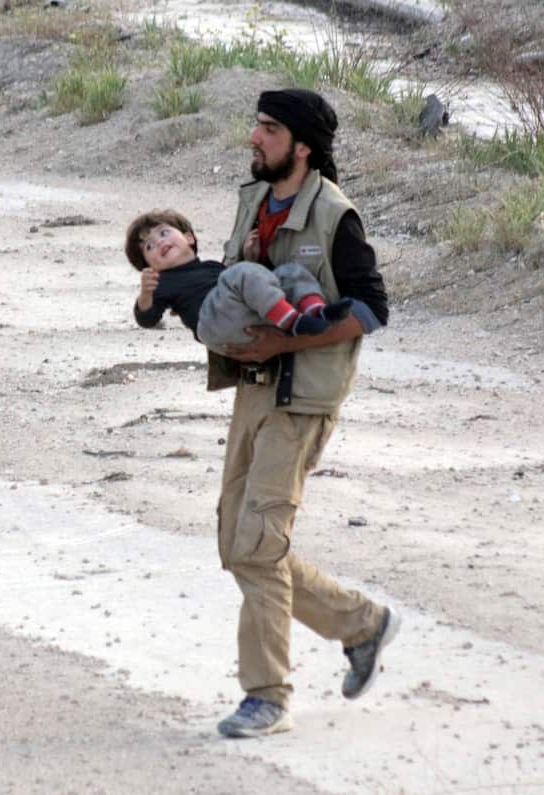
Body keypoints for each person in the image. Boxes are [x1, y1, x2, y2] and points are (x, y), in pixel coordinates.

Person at [211, 89, 398, 738]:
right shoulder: (254, 202)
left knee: (258, 545)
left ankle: (267, 696)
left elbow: (371, 310)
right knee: (239, 545)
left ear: (302, 145)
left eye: (267, 128)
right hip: (251, 388)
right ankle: (362, 623)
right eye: (256, 124)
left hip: (302, 397)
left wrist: (286, 340)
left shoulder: (335, 215)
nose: (253, 138)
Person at [124, 209, 354, 352]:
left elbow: (251, 290)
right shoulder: (163, 282)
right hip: (212, 325)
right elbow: (147, 319)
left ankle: (316, 310)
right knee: (240, 272)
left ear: (189, 237)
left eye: (163, 233)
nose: (159, 242)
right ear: (150, 266)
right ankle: (295, 323)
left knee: (289, 272)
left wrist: (251, 258)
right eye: (149, 246)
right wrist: (145, 294)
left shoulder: (212, 267)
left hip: (241, 319)